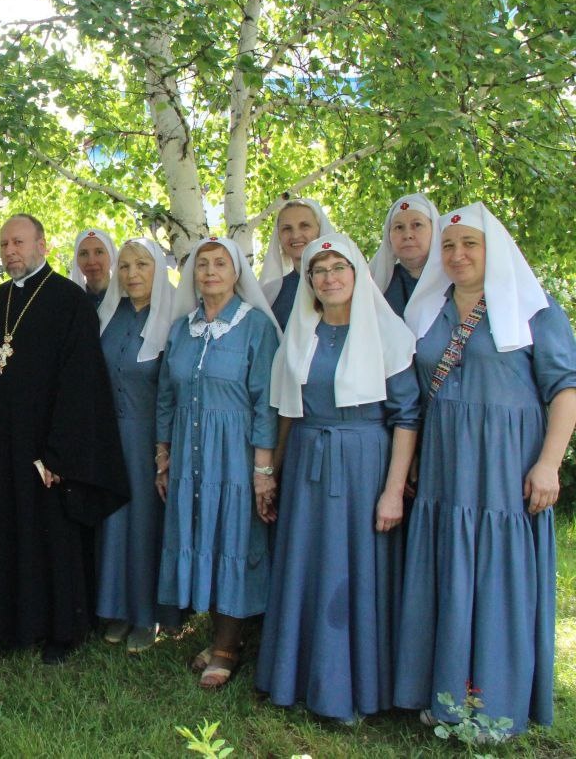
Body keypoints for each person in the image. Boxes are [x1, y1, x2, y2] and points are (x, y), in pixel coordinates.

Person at [394, 203, 576, 735]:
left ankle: (494, 706)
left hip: (505, 466)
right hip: (446, 464)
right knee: (446, 570)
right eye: (449, 245)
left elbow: (565, 389)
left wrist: (549, 464)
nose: (458, 254)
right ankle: (442, 695)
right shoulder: (428, 311)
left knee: (498, 578)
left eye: (470, 243)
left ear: (493, 249)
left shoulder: (533, 309)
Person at [257, 233, 419, 722]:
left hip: (364, 464)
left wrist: (393, 492)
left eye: (338, 267)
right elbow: (287, 411)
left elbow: (406, 417)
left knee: (354, 573)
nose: (329, 278)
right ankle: (298, 679)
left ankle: (355, 690)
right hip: (307, 460)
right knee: (307, 568)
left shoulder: (387, 334)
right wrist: (271, 473)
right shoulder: (300, 334)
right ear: (309, 281)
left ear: (357, 273)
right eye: (319, 270)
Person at [0, 214, 128, 664]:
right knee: (3, 531)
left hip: (47, 449)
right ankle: (2, 627)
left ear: (42, 245)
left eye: (18, 242)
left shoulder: (69, 300)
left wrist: (59, 452)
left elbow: (80, 384)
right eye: (4, 244)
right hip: (0, 445)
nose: (10, 251)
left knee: (51, 537)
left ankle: (59, 630)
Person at [155, 236, 280, 689]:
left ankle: (228, 645)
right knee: (200, 531)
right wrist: (162, 455)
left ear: (237, 272)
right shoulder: (181, 329)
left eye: (220, 264)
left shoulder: (255, 327)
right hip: (189, 451)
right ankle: (220, 634)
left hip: (234, 454)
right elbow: (166, 396)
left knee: (233, 536)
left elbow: (267, 402)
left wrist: (263, 470)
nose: (209, 272)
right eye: (202, 264)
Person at [95, 238, 180, 653]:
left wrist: (165, 447)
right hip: (109, 435)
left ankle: (148, 614)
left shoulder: (174, 318)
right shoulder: (108, 314)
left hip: (150, 438)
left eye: (142, 264)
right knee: (114, 521)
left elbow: (174, 390)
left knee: (146, 524)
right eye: (125, 266)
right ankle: (117, 608)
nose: (132, 274)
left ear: (158, 269)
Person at [258, 199, 334, 329]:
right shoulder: (272, 294)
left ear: (320, 230)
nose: (295, 235)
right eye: (287, 228)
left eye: (305, 226)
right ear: (279, 236)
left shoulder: (343, 283)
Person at [368, 193, 440, 316]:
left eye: (417, 225)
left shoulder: (453, 280)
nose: (407, 235)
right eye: (399, 227)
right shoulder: (377, 284)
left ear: (434, 230)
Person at [68, 227, 116, 308]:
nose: (91, 262)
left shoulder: (129, 298)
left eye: (99, 252)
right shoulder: (70, 302)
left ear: (111, 256)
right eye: (84, 254)